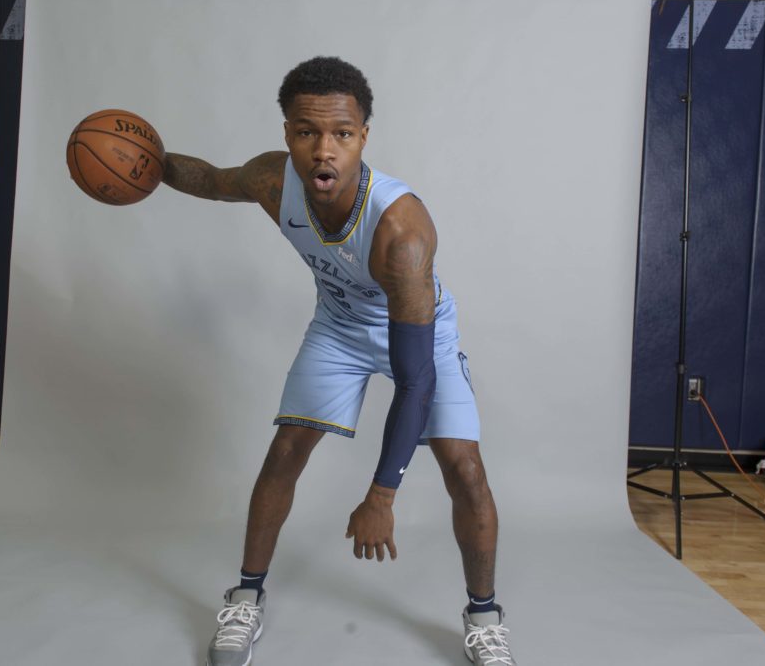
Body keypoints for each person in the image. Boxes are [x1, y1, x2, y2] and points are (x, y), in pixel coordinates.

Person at [162, 56, 515, 666]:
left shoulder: (401, 233)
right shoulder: (274, 183)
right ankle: (246, 595)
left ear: (364, 138)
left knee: (467, 470)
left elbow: (415, 380)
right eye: (307, 132)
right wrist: (150, 165)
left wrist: (381, 495)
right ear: (287, 136)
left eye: (342, 135)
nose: (324, 150)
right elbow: (213, 179)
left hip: (418, 335)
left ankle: (484, 615)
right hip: (340, 326)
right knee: (286, 451)